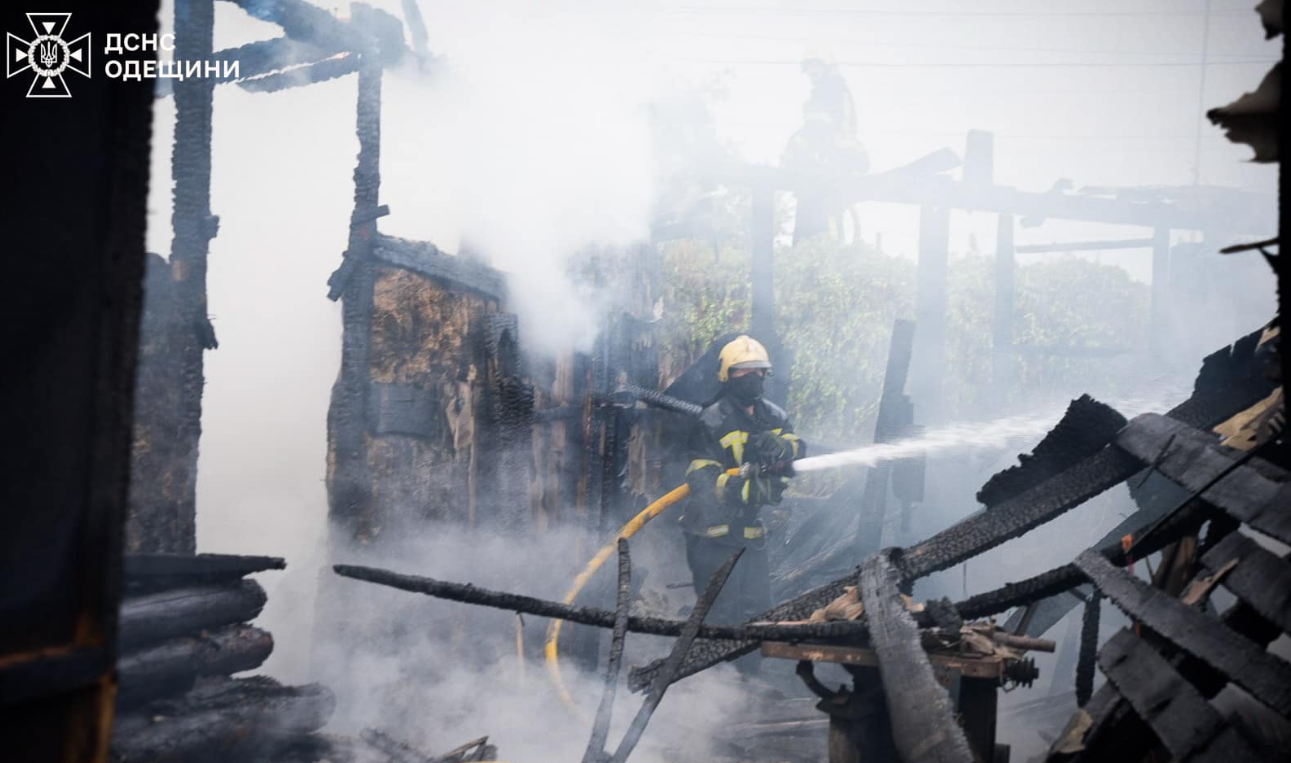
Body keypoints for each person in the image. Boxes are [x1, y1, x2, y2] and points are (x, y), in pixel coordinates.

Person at [680, 335, 804, 650]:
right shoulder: (711, 418)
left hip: (750, 534)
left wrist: (782, 448)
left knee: (758, 611)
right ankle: (714, 684)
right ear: (727, 375)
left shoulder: (774, 417)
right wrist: (738, 488)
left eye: (759, 370)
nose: (753, 377)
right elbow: (700, 477)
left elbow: (796, 455)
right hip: (711, 535)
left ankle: (749, 686)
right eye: (743, 370)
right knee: (720, 616)